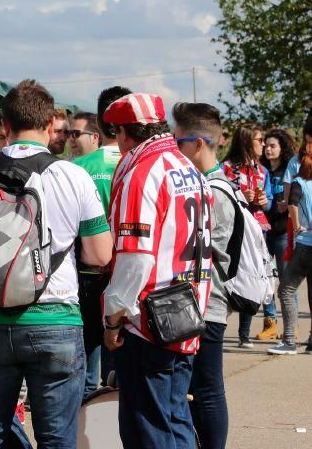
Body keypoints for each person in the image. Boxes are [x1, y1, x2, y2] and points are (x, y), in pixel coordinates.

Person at [0, 80, 113, 448]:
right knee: (56, 438)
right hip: (55, 321)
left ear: (4, 125)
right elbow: (101, 254)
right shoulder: (72, 175)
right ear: (52, 124)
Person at [102, 93, 213, 449]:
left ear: (124, 133)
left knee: (148, 426)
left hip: (148, 321)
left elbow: (135, 259)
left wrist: (113, 319)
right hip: (186, 312)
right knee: (175, 418)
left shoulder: (143, 173)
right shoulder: (188, 169)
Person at [172, 102, 235, 449]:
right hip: (201, 302)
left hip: (206, 302)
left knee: (208, 390)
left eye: (177, 140)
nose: (172, 148)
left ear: (197, 144)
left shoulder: (212, 190)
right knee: (202, 389)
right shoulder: (214, 184)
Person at [72, 86, 131, 397]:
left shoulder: (77, 168)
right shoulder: (139, 165)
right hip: (128, 274)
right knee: (122, 363)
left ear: (97, 124)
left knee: (84, 359)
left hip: (86, 273)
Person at [223, 124, 274, 345]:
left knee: (252, 277)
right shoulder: (226, 168)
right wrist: (240, 195)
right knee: (231, 278)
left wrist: (265, 201)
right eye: (259, 140)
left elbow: (270, 200)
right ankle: (218, 325)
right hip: (235, 230)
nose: (263, 144)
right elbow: (218, 195)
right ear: (246, 141)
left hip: (258, 230)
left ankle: (244, 333)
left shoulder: (262, 171)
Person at [269, 116, 312, 355]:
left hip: (305, 241)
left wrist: (296, 226)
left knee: (286, 288)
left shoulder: (297, 171)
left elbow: (289, 203)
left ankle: (288, 340)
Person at [259, 129, 298, 325]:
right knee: (265, 280)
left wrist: (288, 202)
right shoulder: (261, 170)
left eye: (273, 145)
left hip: (283, 233)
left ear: (282, 149)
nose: (268, 149)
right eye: (265, 145)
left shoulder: (289, 171)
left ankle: (291, 325)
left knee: (286, 282)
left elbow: (299, 196)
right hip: (264, 232)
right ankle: (270, 322)